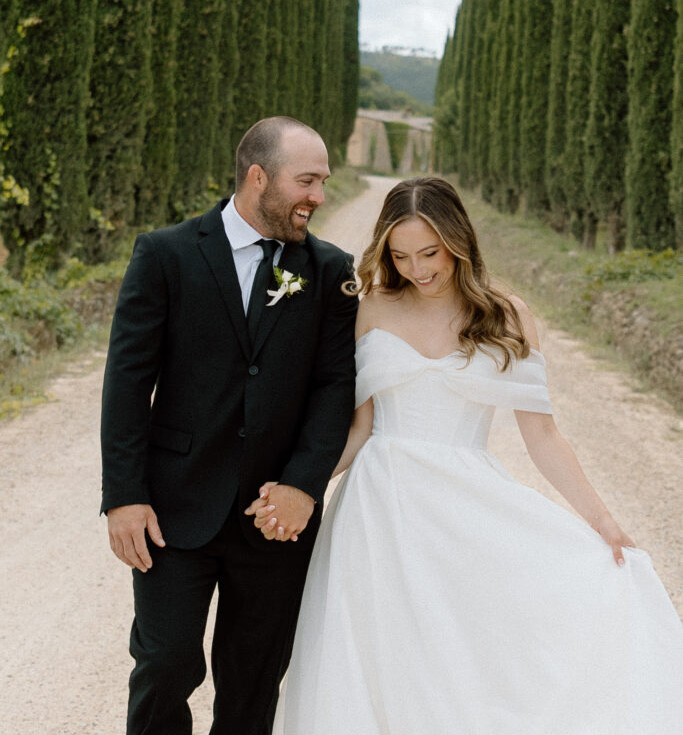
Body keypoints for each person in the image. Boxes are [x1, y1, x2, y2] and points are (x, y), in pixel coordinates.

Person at [250, 176, 683, 734]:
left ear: (459, 241)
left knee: (468, 661)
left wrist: (603, 522)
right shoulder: (373, 306)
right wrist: (298, 485)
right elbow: (358, 429)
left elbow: (543, 437)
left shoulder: (506, 314)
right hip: (378, 512)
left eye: (430, 253)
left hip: (466, 506)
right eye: (401, 256)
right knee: (379, 661)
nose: (418, 269)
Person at [100, 116, 357, 735]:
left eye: (323, 182)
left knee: (252, 682)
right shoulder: (164, 254)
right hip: (173, 508)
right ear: (258, 176)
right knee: (164, 665)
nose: (318, 197)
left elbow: (334, 387)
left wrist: (303, 485)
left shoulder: (328, 271)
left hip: (274, 517)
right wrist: (124, 497)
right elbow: (128, 383)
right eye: (307, 181)